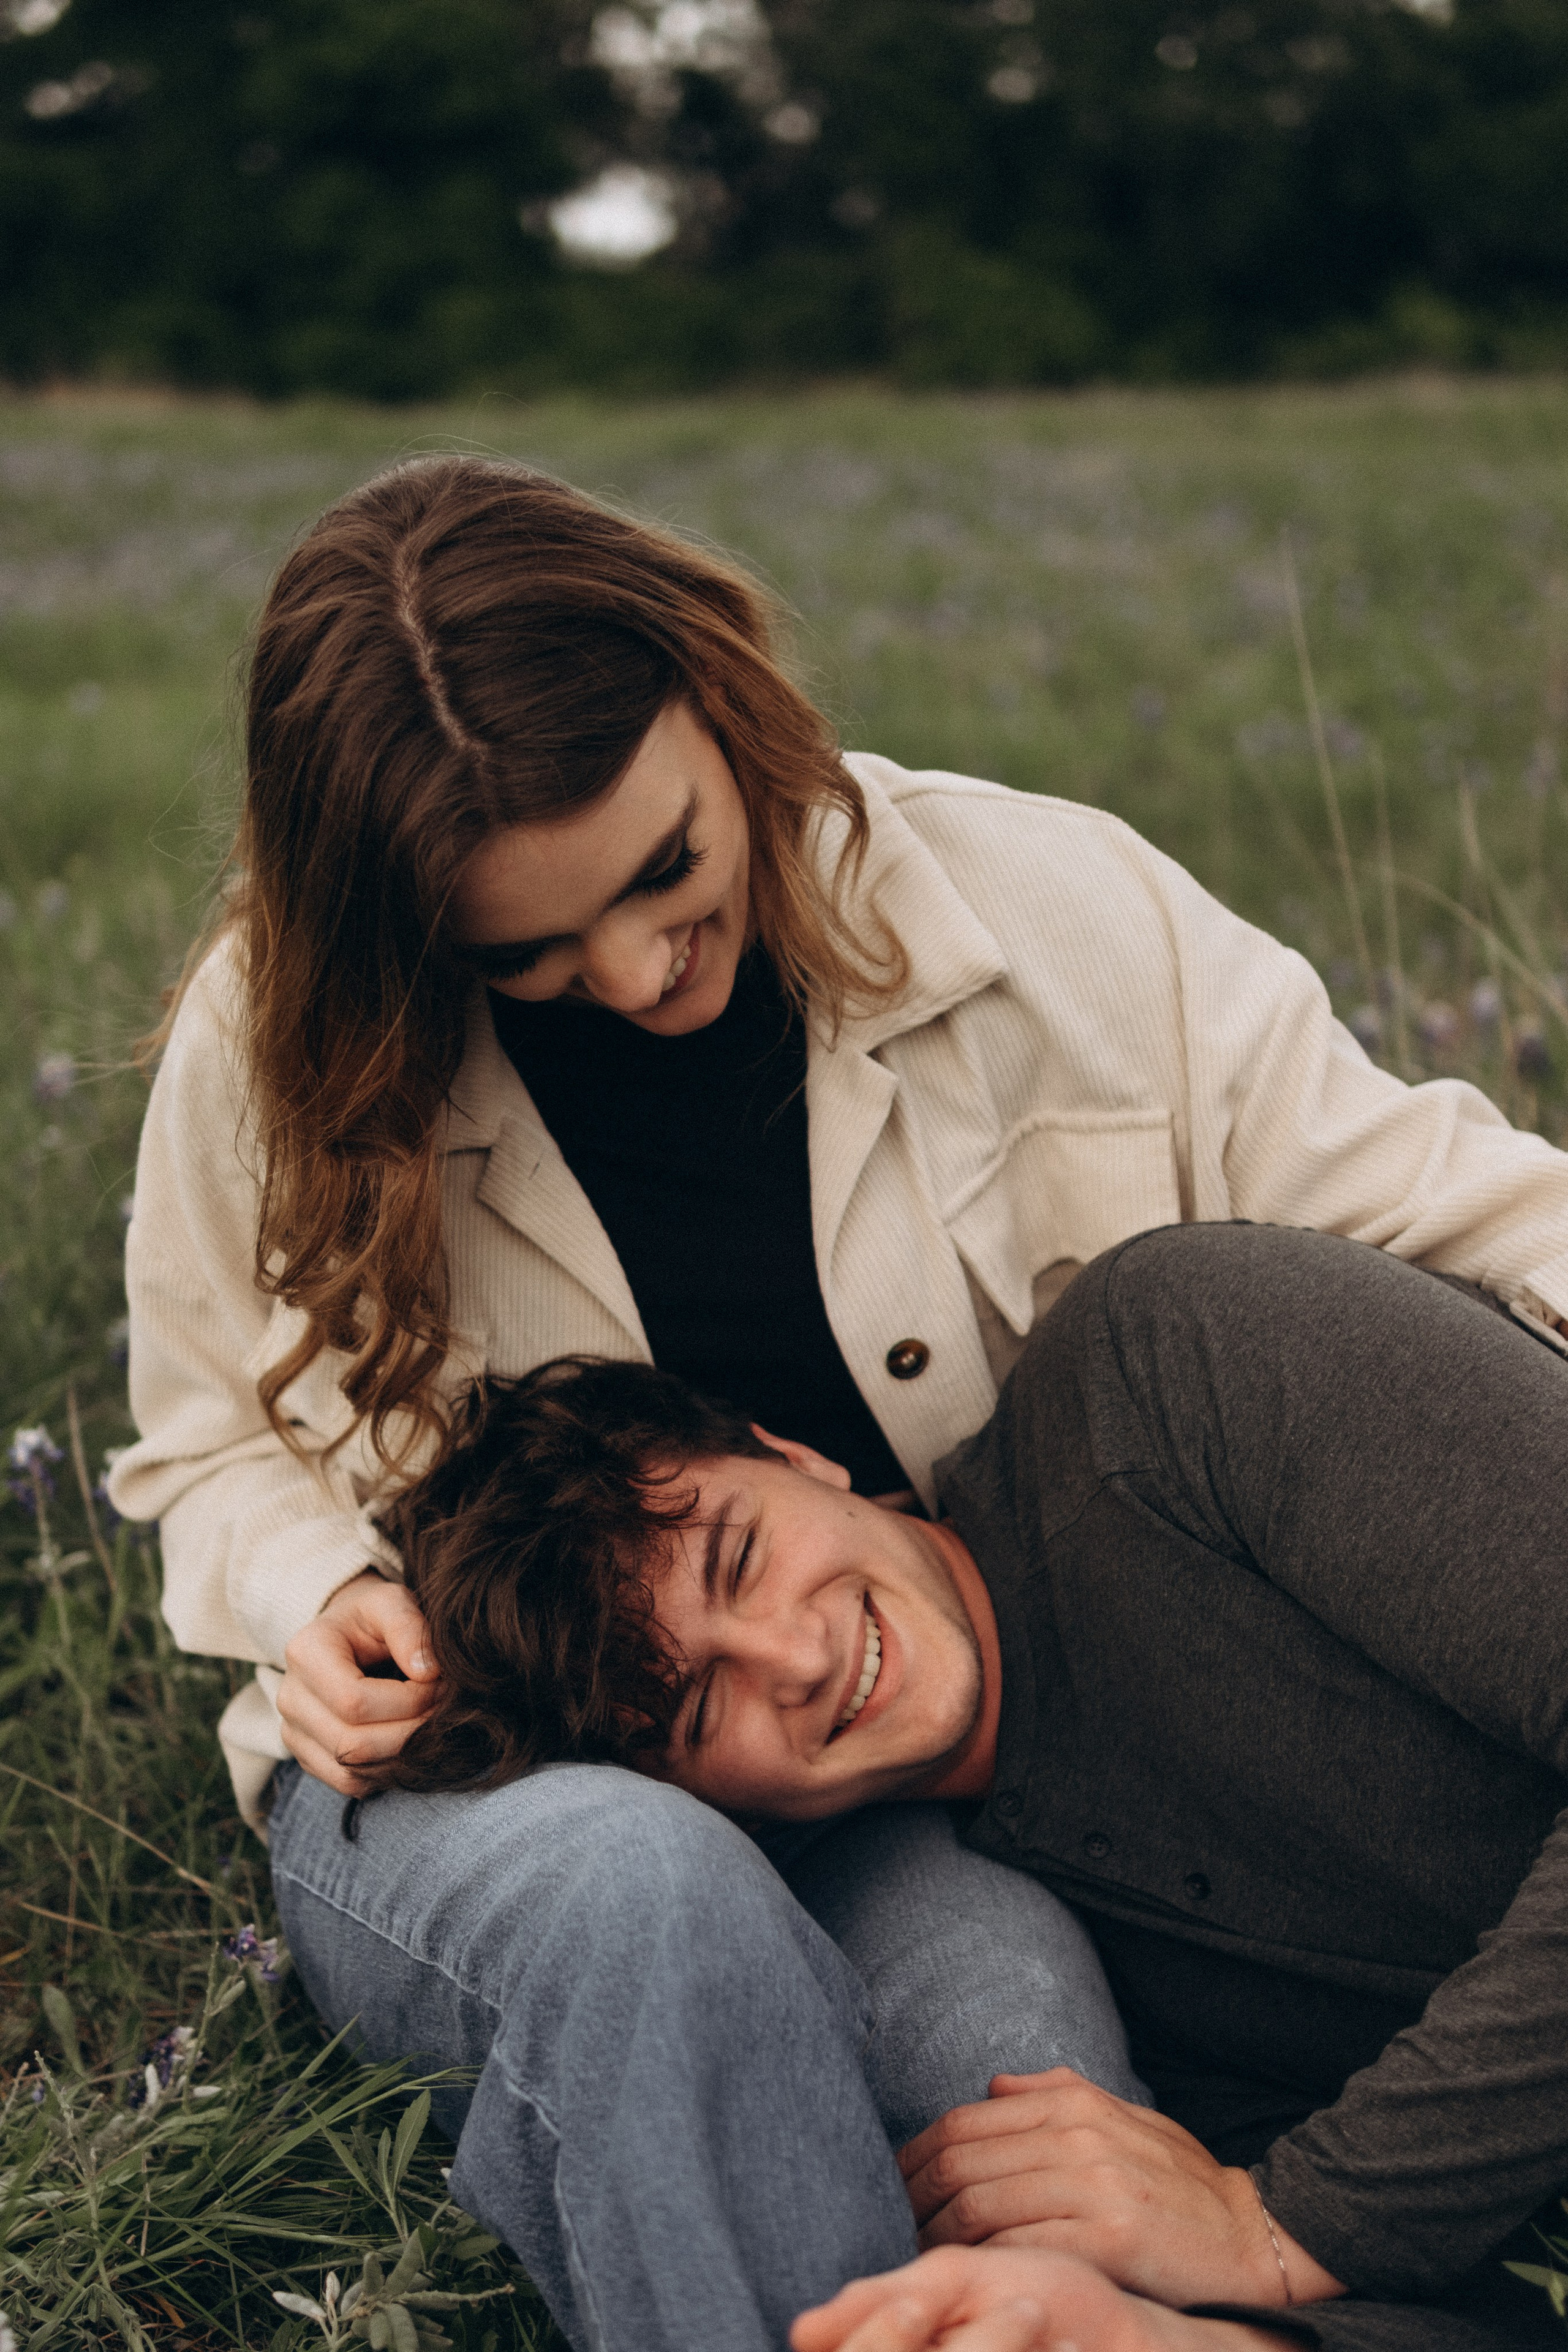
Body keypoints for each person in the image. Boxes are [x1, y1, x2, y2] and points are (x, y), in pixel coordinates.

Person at [105, 454, 1568, 2352]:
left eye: (664, 872)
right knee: (643, 1902)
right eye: (527, 957)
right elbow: (198, 1438)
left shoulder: (1045, 915)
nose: (636, 975)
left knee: (1037, 2096)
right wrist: (318, 1596)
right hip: (497, 1751)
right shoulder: (281, 1043)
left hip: (946, 1774)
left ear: (723, 699)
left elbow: (1439, 1207)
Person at [368, 1222, 1568, 2352]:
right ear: (699, 1803)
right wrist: (1182, 2337)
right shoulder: (1059, 1966)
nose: (794, 1659)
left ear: (795, 1456)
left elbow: (1310, 2231)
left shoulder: (1159, 1370)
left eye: (742, 1555)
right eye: (696, 1706)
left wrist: (1298, 2224)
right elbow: (1500, 2304)